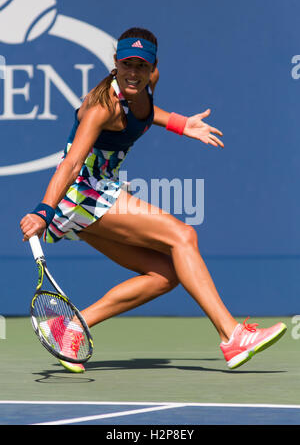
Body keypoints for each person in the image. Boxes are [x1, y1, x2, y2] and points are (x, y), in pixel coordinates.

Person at [20, 27, 286, 373]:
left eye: (141, 66)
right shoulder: (100, 107)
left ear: (153, 69)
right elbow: (70, 165)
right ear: (114, 64)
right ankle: (231, 335)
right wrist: (43, 211)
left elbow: (144, 115)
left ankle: (70, 327)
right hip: (82, 193)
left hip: (96, 194)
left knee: (164, 275)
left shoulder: (145, 86)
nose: (134, 72)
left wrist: (180, 123)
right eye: (126, 64)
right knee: (183, 236)